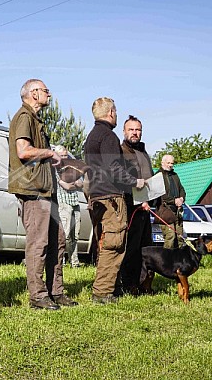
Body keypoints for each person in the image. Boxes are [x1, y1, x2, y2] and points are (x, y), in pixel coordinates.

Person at [8, 78, 77, 310]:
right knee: (39, 244)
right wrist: (50, 152)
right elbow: (23, 151)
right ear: (33, 93)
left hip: (47, 191)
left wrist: (55, 155)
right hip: (33, 191)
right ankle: (37, 296)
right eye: (46, 90)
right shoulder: (24, 117)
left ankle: (56, 292)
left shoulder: (36, 120)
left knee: (57, 242)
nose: (49, 94)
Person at [84, 97, 147, 304]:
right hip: (111, 197)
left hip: (97, 195)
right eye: (116, 111)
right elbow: (113, 168)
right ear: (111, 112)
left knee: (106, 243)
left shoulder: (92, 136)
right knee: (114, 244)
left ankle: (106, 289)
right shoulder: (108, 136)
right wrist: (134, 181)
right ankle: (103, 292)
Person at [119, 115, 154, 294]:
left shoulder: (144, 152)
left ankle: (145, 284)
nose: (135, 133)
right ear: (124, 131)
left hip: (147, 207)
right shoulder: (120, 151)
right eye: (131, 129)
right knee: (131, 249)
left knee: (146, 247)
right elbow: (122, 179)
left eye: (138, 129)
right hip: (130, 206)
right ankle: (129, 285)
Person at [54, 145, 83, 268]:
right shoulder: (55, 169)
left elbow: (81, 183)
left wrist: (74, 183)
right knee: (64, 234)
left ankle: (74, 262)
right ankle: (60, 261)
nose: (65, 158)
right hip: (63, 203)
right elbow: (65, 186)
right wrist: (73, 184)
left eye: (66, 155)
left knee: (74, 235)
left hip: (75, 202)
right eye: (62, 156)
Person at [157, 154, 186, 249]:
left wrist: (181, 198)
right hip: (165, 210)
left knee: (180, 237)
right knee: (170, 237)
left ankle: (179, 261)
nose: (170, 165)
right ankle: (166, 261)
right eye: (168, 163)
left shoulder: (175, 175)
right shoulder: (158, 175)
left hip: (177, 210)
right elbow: (161, 194)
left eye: (172, 163)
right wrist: (174, 200)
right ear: (162, 163)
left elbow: (182, 189)